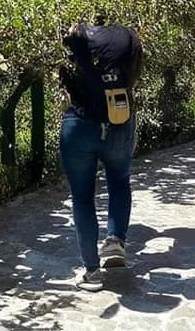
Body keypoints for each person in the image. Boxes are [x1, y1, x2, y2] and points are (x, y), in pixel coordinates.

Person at [59, 21, 144, 292]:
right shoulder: (126, 41)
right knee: (119, 182)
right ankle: (115, 240)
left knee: (82, 198)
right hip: (119, 121)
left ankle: (92, 272)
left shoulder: (76, 45)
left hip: (79, 125)